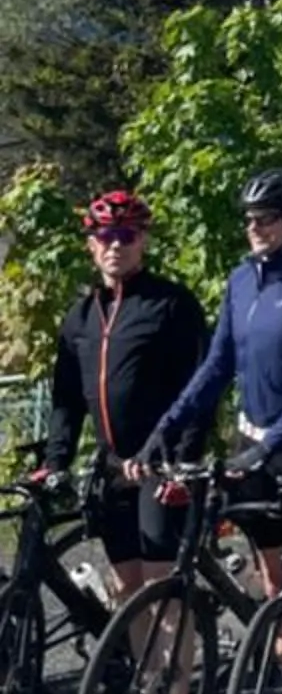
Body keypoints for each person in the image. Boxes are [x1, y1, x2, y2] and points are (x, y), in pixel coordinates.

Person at [148, 166, 282, 597]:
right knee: (272, 576)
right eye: (249, 219)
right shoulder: (242, 279)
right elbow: (217, 365)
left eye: (264, 218)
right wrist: (166, 426)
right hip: (255, 434)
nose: (253, 227)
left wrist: (275, 440)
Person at [36, 191, 208, 624]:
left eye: (126, 235)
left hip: (161, 464)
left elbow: (200, 387)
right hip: (111, 468)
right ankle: (148, 689)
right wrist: (55, 460)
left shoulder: (171, 304)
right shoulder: (80, 316)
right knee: (128, 591)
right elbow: (67, 400)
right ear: (91, 244)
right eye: (106, 235)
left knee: (160, 589)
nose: (116, 245)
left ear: (143, 240)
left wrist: (183, 459)